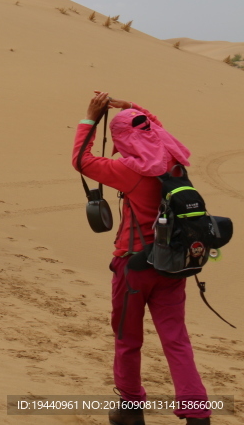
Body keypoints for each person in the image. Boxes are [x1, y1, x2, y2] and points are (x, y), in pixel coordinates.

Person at [74, 91, 211, 425]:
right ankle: (197, 413)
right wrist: (133, 108)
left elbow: (81, 159)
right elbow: (155, 127)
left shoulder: (129, 171)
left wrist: (90, 118)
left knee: (128, 338)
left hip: (133, 264)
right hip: (174, 264)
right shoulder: (175, 164)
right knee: (176, 339)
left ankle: (131, 408)